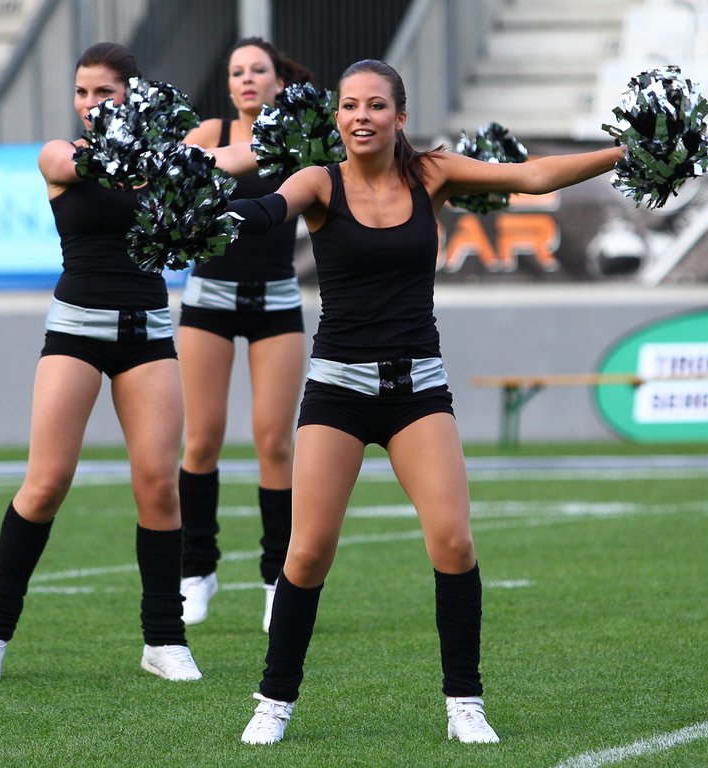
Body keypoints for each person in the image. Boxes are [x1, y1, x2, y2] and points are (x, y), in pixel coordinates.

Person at [222, 59, 624, 744]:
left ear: (399, 116)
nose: (361, 117)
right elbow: (268, 210)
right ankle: (274, 699)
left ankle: (465, 701)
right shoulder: (319, 181)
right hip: (338, 391)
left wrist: (623, 152)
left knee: (454, 542)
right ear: (336, 117)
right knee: (307, 552)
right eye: (350, 105)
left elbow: (532, 177)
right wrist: (217, 210)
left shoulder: (431, 174)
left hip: (417, 390)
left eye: (376, 105)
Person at [0, 41, 252, 685]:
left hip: (147, 333)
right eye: (81, 91)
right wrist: (160, 154)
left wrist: (308, 143)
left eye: (105, 92)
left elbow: (231, 157)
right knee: (46, 483)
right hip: (75, 332)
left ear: (133, 96)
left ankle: (164, 640)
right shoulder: (59, 155)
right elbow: (84, 163)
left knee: (158, 485)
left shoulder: (163, 162)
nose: (90, 103)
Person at [176, 38, 313, 632]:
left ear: (279, 82)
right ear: (229, 84)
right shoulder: (211, 133)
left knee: (274, 443)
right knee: (201, 440)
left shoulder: (299, 140)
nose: (248, 79)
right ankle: (196, 571)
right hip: (209, 299)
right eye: (237, 72)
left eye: (259, 70)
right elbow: (172, 180)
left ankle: (276, 578)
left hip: (276, 301)